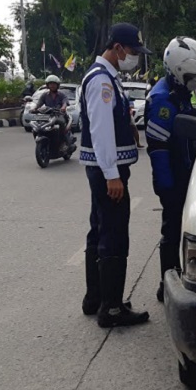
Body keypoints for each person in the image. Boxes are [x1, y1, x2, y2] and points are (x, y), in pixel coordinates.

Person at [78, 22, 151, 328]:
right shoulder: (102, 81)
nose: (134, 57)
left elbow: (113, 120)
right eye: (133, 51)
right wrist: (112, 175)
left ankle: (95, 298)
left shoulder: (109, 78)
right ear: (118, 48)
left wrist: (130, 126)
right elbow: (101, 131)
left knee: (99, 229)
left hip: (105, 168)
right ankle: (111, 308)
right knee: (114, 234)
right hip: (107, 170)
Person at [146, 36, 196, 302]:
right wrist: (168, 188)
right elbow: (158, 148)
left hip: (192, 175)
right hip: (175, 179)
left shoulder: (185, 94)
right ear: (179, 70)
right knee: (172, 231)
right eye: (193, 77)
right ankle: (166, 285)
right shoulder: (162, 100)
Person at [36, 75, 72, 147]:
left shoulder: (61, 95)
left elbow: (65, 102)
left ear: (57, 85)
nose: (52, 86)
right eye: (50, 84)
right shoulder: (44, 95)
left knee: (61, 124)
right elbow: (38, 104)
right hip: (48, 116)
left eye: (54, 84)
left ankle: (63, 143)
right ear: (47, 85)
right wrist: (34, 109)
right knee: (38, 125)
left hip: (59, 115)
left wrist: (63, 107)